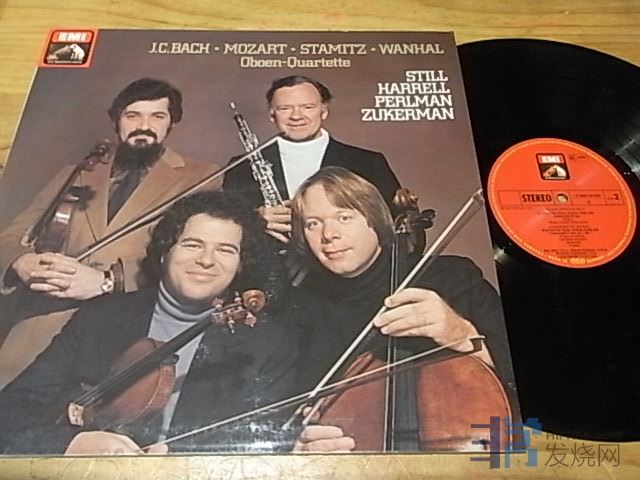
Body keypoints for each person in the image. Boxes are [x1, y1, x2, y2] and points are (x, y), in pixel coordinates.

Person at [0, 191, 298, 455]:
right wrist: (69, 444)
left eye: (225, 250)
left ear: (241, 264)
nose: (207, 260)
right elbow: (10, 409)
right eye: (192, 244)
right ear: (166, 252)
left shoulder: (268, 345)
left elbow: (255, 449)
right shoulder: (102, 316)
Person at [0, 78, 221, 388]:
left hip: (126, 331)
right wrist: (22, 262)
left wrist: (108, 281)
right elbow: (11, 237)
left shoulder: (202, 177)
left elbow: (191, 261)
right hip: (45, 319)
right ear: (116, 120)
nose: (144, 126)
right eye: (133, 115)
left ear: (172, 123)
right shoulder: (79, 171)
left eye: (157, 116)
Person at [288, 167, 518, 452]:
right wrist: (300, 445)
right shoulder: (299, 310)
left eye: (344, 217)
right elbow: (283, 417)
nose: (329, 235)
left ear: (375, 218)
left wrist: (462, 334)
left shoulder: (453, 278)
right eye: (313, 224)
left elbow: (534, 372)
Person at [223, 75, 401, 244]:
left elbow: (391, 224)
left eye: (307, 107)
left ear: (324, 112)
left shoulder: (369, 163)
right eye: (285, 108)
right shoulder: (241, 166)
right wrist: (252, 221)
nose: (296, 116)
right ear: (272, 115)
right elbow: (223, 228)